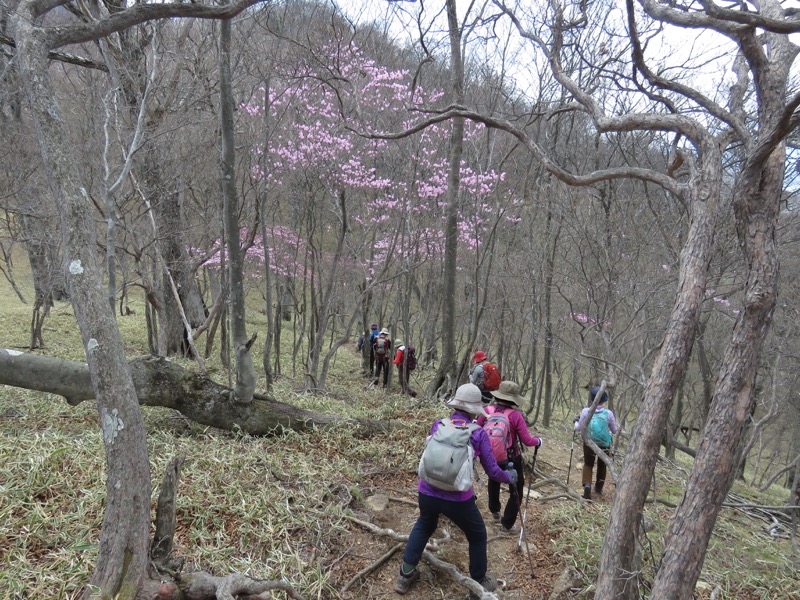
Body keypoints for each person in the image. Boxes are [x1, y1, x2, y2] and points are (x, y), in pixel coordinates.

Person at [395, 383, 515, 597]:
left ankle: (405, 575)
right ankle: (478, 583)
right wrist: (510, 477)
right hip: (458, 499)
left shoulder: (438, 425)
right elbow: (493, 472)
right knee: (477, 534)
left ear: (457, 405)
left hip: (427, 491)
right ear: (474, 409)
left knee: (424, 524)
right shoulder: (478, 434)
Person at [477, 381, 542, 531]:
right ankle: (507, 524)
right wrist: (538, 441)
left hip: (489, 455)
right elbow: (527, 440)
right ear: (513, 399)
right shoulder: (515, 416)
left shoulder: (487, 410)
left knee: (494, 479)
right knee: (517, 488)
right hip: (511, 457)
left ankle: (494, 510)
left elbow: (476, 430)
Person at [573, 386, 619, 500]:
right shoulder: (609, 414)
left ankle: (587, 486)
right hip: (604, 444)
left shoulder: (585, 411)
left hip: (589, 442)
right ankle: (598, 488)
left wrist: (575, 422)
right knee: (602, 465)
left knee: (588, 464)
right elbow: (614, 431)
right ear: (604, 400)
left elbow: (578, 428)